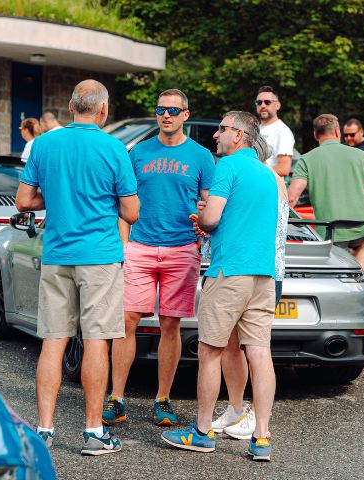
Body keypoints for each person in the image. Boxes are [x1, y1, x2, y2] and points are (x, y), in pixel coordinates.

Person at [16, 79, 140, 456]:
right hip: (100, 257)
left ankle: (44, 429)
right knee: (97, 341)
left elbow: (24, 200)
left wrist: (54, 197)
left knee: (53, 340)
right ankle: (92, 433)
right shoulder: (114, 147)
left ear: (71, 107)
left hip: (57, 254)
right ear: (103, 111)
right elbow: (131, 211)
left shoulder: (44, 143)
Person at [161, 111, 278, 462]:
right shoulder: (267, 174)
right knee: (259, 352)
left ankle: (201, 432)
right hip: (263, 273)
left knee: (210, 351)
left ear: (240, 135)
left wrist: (202, 217)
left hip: (230, 272)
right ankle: (261, 438)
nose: (216, 136)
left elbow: (211, 219)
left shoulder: (227, 167)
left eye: (223, 129)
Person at [103, 89, 214, 427]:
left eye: (173, 110)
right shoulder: (137, 153)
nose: (166, 115)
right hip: (140, 246)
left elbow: (209, 203)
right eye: (161, 109)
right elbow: (124, 201)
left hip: (182, 249)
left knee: (170, 323)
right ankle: (116, 398)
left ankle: (162, 399)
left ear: (185, 115)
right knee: (127, 321)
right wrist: (124, 244)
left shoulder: (201, 156)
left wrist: (202, 230)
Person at [208, 147, 289, 441]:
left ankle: (256, 416)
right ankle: (235, 407)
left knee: (253, 348)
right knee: (230, 343)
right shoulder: (259, 176)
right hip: (252, 266)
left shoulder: (269, 177)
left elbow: (270, 229)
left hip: (264, 269)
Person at [287, 114, 364, 270]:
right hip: (363, 228)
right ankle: (359, 272)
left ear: (315, 135)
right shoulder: (362, 156)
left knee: (335, 261)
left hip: (331, 233)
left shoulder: (307, 159)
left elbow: (291, 198)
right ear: (337, 131)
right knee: (362, 246)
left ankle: (349, 279)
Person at [256, 86, 295, 176]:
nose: (263, 105)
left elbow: (284, 169)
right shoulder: (256, 129)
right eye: (259, 102)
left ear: (277, 105)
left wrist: (254, 173)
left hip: (268, 187)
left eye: (267, 102)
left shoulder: (282, 131)